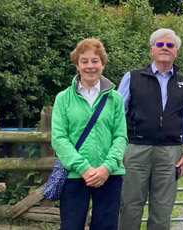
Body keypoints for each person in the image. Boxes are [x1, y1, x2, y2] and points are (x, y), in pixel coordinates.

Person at [117, 28, 183, 230]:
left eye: (170, 45)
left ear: (176, 51)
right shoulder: (132, 77)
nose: (165, 48)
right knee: (129, 207)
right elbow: (116, 115)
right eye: (160, 44)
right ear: (152, 49)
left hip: (169, 153)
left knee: (162, 210)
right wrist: (118, 148)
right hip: (136, 149)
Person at [51, 38, 127, 230]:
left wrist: (107, 167)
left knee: (106, 226)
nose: (90, 66)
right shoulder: (63, 98)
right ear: (77, 64)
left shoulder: (115, 98)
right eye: (84, 61)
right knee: (71, 226)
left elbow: (120, 136)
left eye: (95, 61)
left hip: (109, 174)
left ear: (103, 64)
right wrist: (83, 168)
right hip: (75, 175)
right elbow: (59, 138)